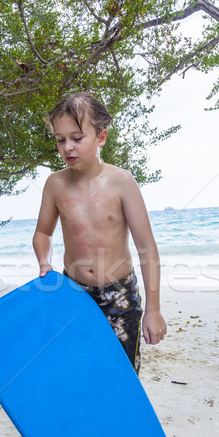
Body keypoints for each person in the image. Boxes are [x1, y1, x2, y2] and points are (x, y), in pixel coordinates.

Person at [32, 92, 166, 375]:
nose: (67, 147)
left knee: (121, 375)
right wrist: (45, 262)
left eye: (77, 138)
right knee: (79, 371)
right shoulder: (55, 185)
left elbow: (146, 247)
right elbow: (43, 232)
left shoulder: (121, 182)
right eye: (60, 139)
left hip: (121, 298)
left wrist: (153, 309)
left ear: (101, 137)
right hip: (74, 294)